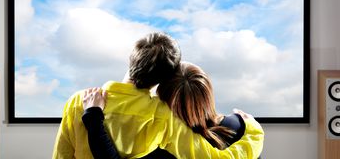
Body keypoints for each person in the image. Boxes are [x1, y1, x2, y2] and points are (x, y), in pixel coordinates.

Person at [52, 32, 264, 159]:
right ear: (164, 78)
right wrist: (253, 132)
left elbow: (61, 155)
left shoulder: (78, 101)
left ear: (132, 58)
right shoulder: (163, 115)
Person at [81, 62, 260, 159]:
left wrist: (93, 115)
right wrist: (250, 126)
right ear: (207, 93)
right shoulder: (240, 125)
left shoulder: (159, 143)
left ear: (163, 97)